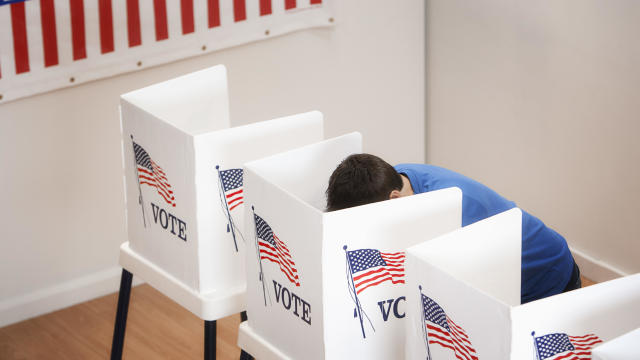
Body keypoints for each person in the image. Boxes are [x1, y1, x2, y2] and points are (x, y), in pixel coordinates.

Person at [326, 153, 581, 304]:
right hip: (503, 274)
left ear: (393, 199)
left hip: (548, 279)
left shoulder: (454, 214)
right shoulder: (396, 180)